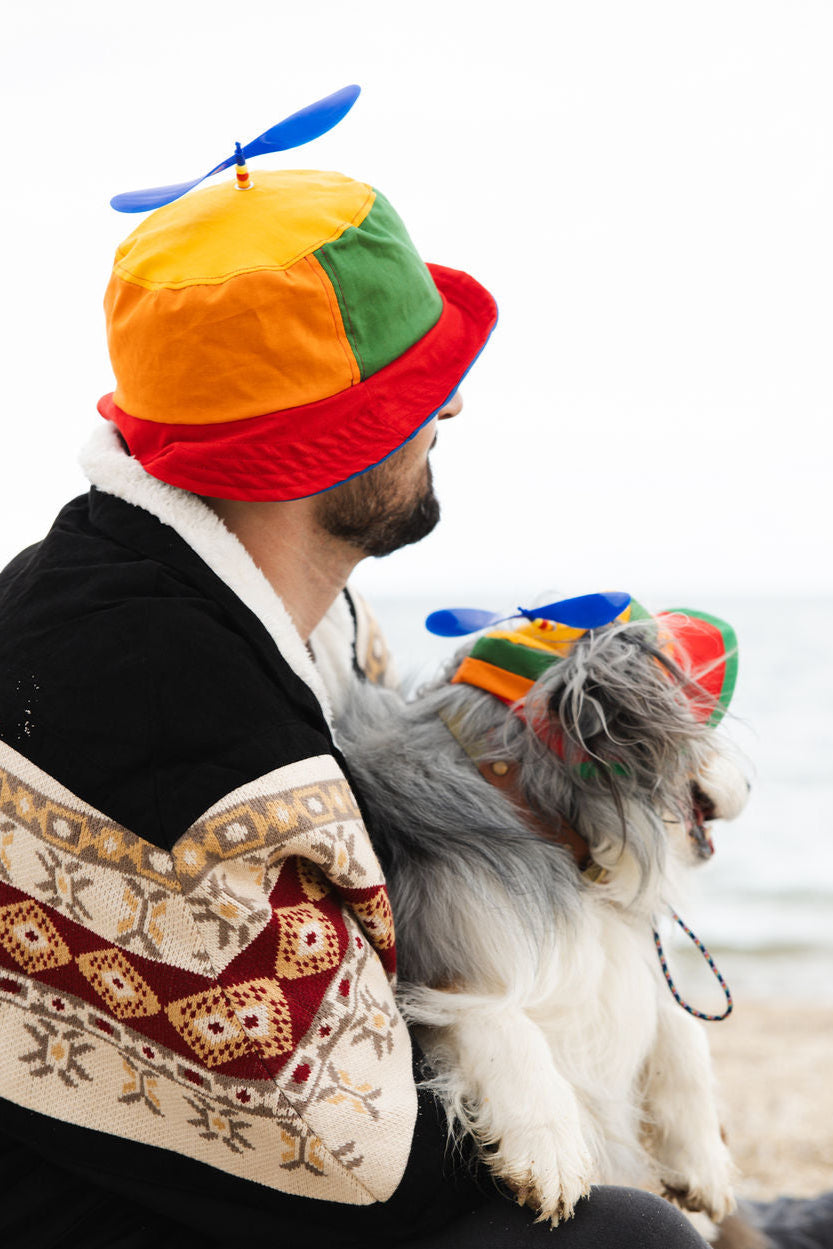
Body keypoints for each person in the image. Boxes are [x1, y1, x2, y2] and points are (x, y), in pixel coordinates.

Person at [0, 166, 732, 1248]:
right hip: (122, 1219)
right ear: (319, 439)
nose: (452, 404)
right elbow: (343, 1143)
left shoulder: (290, 620)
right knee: (627, 1237)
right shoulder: (155, 690)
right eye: (412, 388)